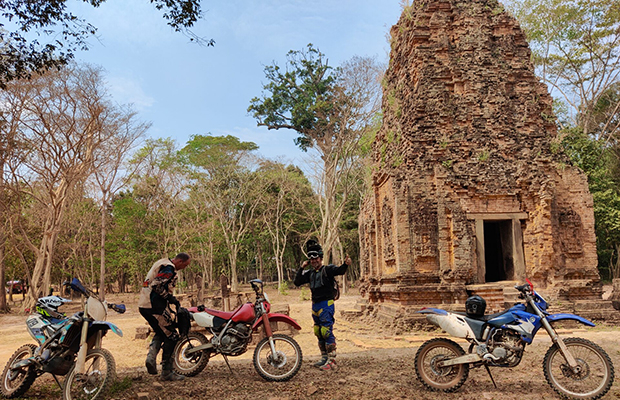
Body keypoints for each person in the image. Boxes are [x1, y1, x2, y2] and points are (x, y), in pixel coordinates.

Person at [294, 240, 351, 371]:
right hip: (315, 305)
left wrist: (346, 264)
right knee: (318, 332)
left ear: (320, 258)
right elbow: (297, 282)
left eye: (316, 258)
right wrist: (302, 267)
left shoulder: (328, 270)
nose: (314, 261)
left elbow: (340, 271)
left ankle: (332, 360)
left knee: (326, 331)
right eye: (311, 259)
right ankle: (324, 357)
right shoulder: (310, 273)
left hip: (326, 304)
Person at [138, 252, 191, 381]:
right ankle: (166, 372)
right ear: (179, 261)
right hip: (154, 307)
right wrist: (170, 298)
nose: (184, 268)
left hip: (145, 305)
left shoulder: (162, 262)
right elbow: (156, 285)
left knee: (163, 331)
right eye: (185, 265)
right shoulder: (169, 268)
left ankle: (151, 357)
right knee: (172, 336)